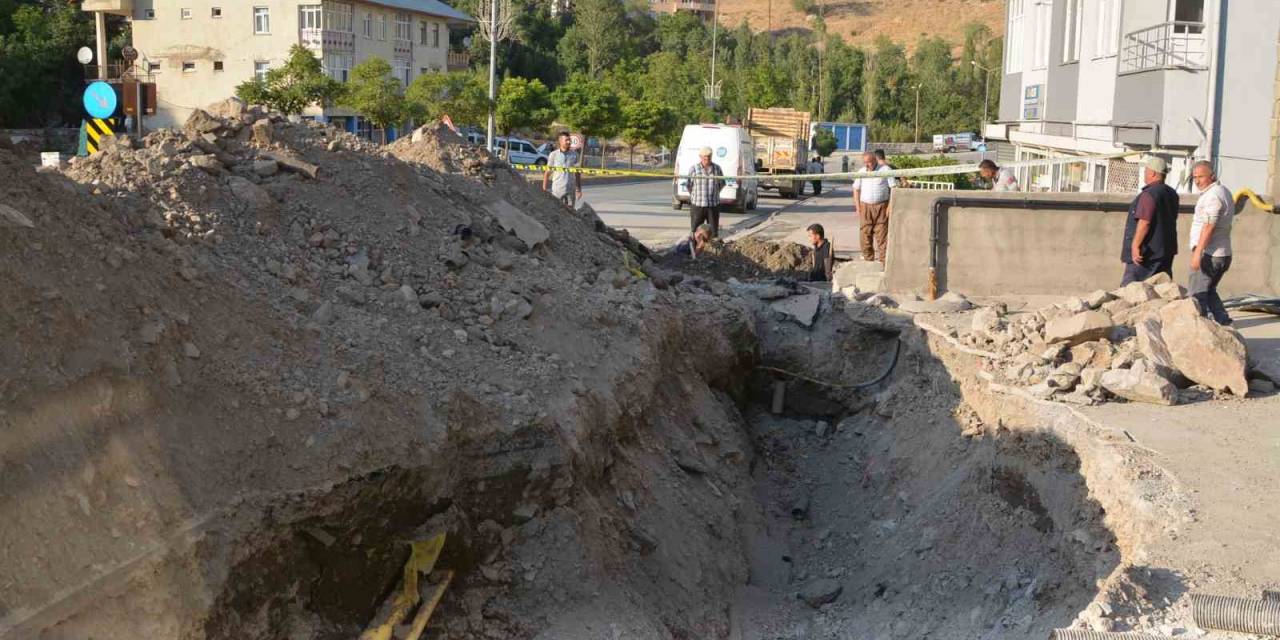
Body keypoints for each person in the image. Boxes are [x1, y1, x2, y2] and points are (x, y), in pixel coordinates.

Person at [1187, 160, 1234, 325]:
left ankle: (1201, 332)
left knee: (1197, 295)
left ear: (1212, 176)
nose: (1197, 181)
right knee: (1209, 290)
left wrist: (1197, 253)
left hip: (1210, 254)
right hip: (1222, 254)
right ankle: (1225, 322)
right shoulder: (1222, 191)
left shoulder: (1213, 195)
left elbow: (1209, 226)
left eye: (1201, 176)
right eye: (1194, 177)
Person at [1121, 155, 1180, 285]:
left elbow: (1145, 222)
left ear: (1152, 173)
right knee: (1160, 291)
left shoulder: (1149, 194)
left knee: (1129, 290)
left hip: (1147, 255)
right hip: (1166, 251)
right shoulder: (1172, 194)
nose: (1144, 173)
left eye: (1145, 170)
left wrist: (1135, 246)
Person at [853, 151, 896, 264]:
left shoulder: (885, 170)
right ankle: (868, 260)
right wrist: (858, 207)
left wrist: (890, 206)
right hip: (865, 207)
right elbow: (856, 189)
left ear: (875, 160)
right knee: (865, 235)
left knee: (882, 236)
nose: (867, 165)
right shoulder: (861, 172)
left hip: (882, 206)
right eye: (865, 163)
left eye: (870, 162)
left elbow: (893, 188)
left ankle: (884, 262)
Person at [684, 146, 725, 237]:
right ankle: (695, 249)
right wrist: (695, 195)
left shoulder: (717, 169)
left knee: (713, 232)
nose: (707, 158)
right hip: (698, 205)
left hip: (713, 205)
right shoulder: (694, 169)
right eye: (705, 156)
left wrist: (715, 193)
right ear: (700, 157)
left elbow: (722, 183)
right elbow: (688, 184)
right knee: (696, 232)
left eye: (709, 156)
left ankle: (713, 248)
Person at [542, 131, 582, 207]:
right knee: (557, 212)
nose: (569, 142)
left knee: (571, 213)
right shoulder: (553, 155)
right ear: (560, 141)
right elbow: (547, 172)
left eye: (569, 140)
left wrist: (578, 189)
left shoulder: (575, 155)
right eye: (566, 140)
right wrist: (544, 189)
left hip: (570, 190)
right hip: (557, 190)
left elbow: (577, 173)